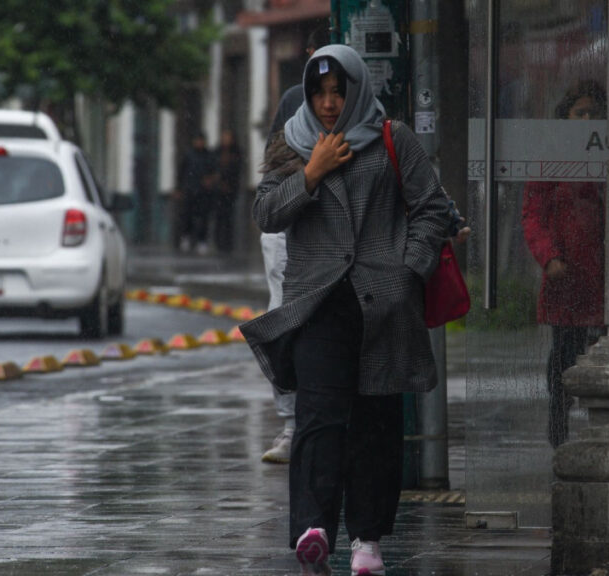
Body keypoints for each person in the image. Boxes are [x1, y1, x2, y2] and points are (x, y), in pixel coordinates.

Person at [240, 45, 455, 576]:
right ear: (308, 95)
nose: (331, 103)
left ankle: (367, 541)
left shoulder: (392, 137)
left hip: (381, 303)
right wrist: (309, 175)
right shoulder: (292, 143)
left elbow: (434, 209)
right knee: (319, 417)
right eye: (320, 93)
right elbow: (265, 213)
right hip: (317, 304)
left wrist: (408, 271)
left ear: (358, 89)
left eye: (339, 92)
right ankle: (312, 529)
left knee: (376, 424)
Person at [521, 79, 607, 448]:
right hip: (567, 276)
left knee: (603, 354)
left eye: (593, 113)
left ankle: (600, 425)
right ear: (565, 116)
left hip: (605, 276)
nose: (586, 119)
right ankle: (559, 425)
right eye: (579, 113)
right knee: (564, 356)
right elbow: (533, 214)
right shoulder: (553, 155)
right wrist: (549, 256)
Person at [259, 24, 330, 465]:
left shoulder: (367, 109)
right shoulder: (292, 101)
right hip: (292, 227)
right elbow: (272, 174)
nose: (328, 100)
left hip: (338, 232)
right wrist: (309, 171)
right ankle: (290, 424)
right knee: (284, 318)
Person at [177, 132, 218, 255]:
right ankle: (186, 238)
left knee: (203, 218)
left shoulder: (209, 156)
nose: (199, 143)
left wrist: (210, 180)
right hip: (190, 191)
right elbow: (182, 172)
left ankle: (202, 241)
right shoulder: (189, 155)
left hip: (204, 192)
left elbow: (215, 171)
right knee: (187, 216)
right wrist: (180, 188)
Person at [214, 128, 242, 254]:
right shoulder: (218, 152)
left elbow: (237, 170)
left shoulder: (236, 153)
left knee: (228, 217)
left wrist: (230, 184)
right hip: (218, 190)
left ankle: (227, 243)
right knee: (219, 217)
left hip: (230, 190)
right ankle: (218, 242)